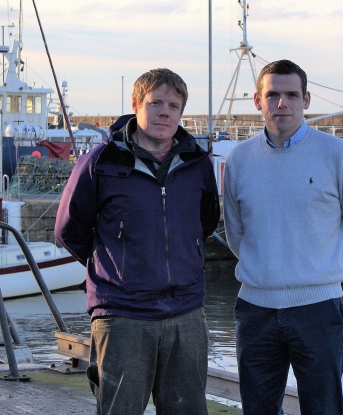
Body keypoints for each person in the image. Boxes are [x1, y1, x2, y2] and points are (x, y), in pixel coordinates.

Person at [54, 68, 220, 415]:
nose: (164, 112)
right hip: (122, 315)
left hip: (186, 313)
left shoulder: (197, 164)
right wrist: (116, 266)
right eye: (155, 102)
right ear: (136, 105)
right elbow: (69, 230)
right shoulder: (100, 162)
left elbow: (204, 223)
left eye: (174, 106)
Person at [222, 59, 343, 415]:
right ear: (257, 100)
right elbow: (237, 233)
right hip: (255, 311)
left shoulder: (338, 155)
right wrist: (266, 271)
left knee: (322, 409)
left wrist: (325, 273)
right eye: (273, 94)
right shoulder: (239, 160)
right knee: (258, 410)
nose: (282, 103)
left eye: (292, 94)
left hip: (318, 309)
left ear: (306, 100)